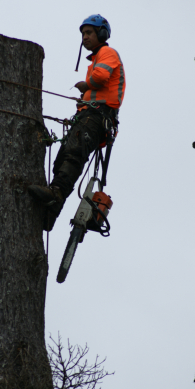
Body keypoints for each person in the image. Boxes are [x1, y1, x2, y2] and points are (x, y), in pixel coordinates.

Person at [29, 14, 126, 231]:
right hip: (89, 116)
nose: (85, 37)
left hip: (98, 116)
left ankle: (55, 194)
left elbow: (101, 78)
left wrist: (85, 84)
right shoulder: (97, 58)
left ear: (101, 34)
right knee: (63, 160)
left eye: (89, 32)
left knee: (73, 154)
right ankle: (49, 216)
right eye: (83, 33)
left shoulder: (107, 53)